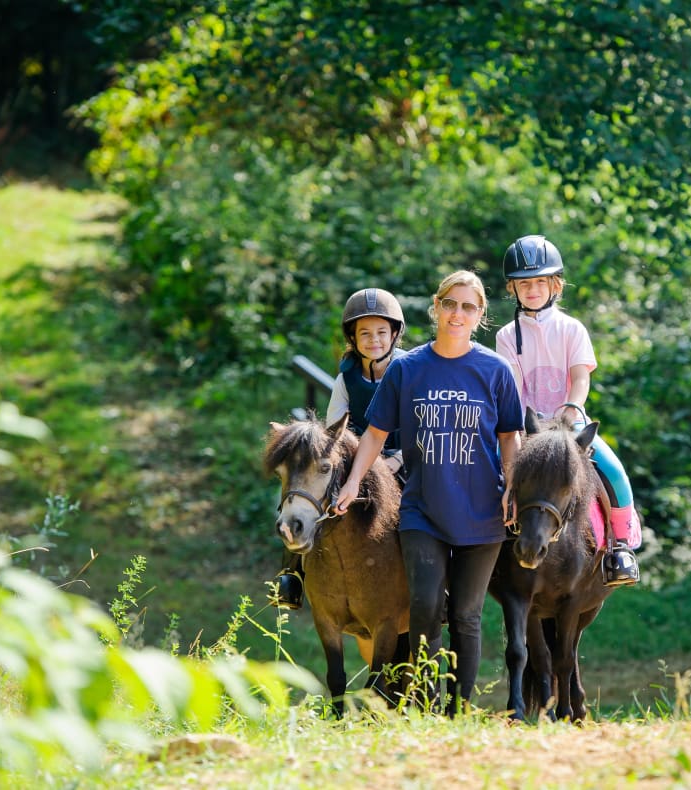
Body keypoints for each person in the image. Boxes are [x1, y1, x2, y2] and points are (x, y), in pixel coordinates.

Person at [334, 270, 523, 715]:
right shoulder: (406, 368)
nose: (458, 314)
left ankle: (458, 711)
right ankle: (425, 706)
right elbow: (375, 434)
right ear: (436, 308)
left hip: (481, 512)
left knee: (466, 616)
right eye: (451, 304)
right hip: (422, 510)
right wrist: (351, 481)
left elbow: (510, 437)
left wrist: (512, 487)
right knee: (423, 607)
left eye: (469, 307)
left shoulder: (495, 370)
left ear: (480, 316)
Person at [495, 234, 641, 586]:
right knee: (488, 473)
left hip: (572, 425)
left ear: (555, 284)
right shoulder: (504, 336)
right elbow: (512, 389)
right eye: (524, 284)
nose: (532, 290)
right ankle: (474, 550)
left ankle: (619, 548)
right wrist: (521, 428)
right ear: (512, 289)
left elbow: (580, 379)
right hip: (529, 430)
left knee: (615, 473)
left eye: (539, 282)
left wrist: (572, 409)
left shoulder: (572, 328)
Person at [273, 288, 407, 609]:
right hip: (359, 465)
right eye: (365, 333)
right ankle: (292, 578)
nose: (373, 340)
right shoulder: (346, 378)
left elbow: (421, 423)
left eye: (380, 332)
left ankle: (440, 590)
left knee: (431, 510)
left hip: (405, 461)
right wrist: (364, 465)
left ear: (394, 334)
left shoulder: (409, 370)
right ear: (352, 337)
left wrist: (397, 460)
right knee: (303, 503)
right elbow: (333, 432)